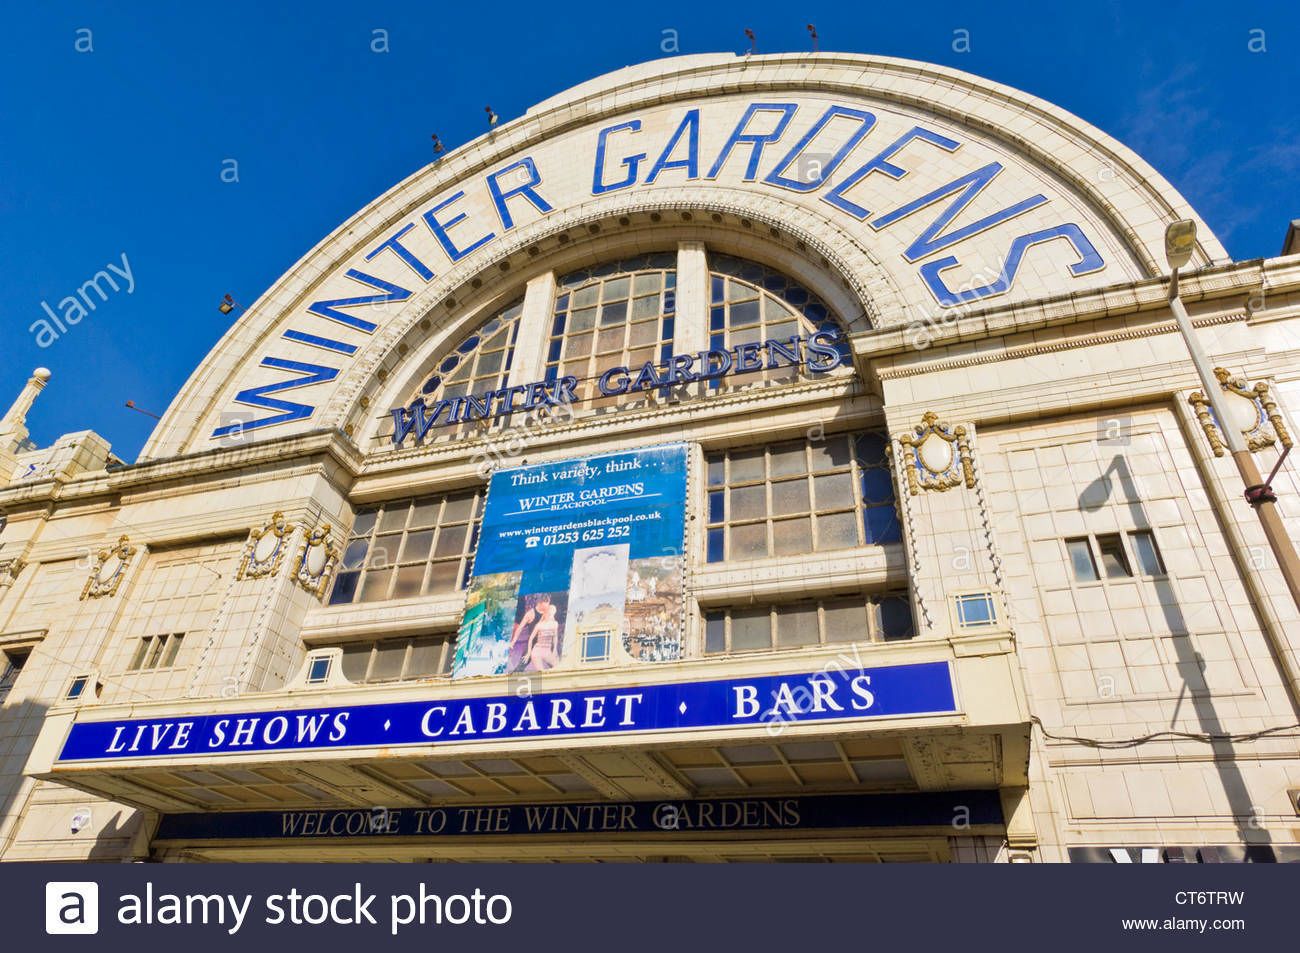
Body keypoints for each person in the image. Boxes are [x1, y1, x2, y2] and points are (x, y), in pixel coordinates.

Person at [527, 596, 561, 670]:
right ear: (546, 613)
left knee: (558, 667)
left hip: (547, 651)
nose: (550, 616)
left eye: (552, 614)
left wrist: (555, 649)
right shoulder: (539, 625)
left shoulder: (555, 624)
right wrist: (529, 652)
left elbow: (555, 636)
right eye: (549, 613)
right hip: (537, 651)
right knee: (541, 673)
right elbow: (531, 638)